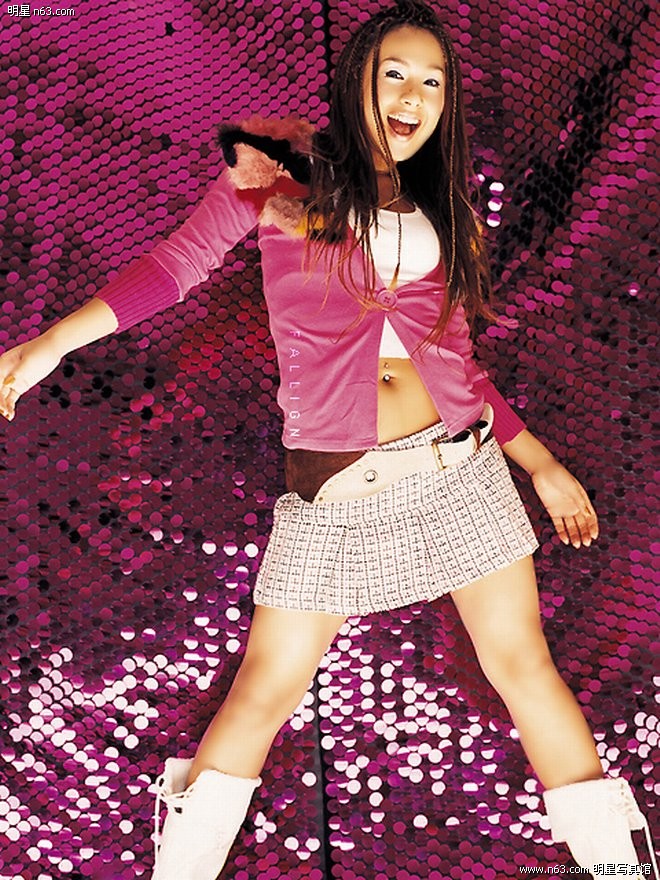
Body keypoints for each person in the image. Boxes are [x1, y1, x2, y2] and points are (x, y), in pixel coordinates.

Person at [0, 3, 656, 879]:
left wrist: (540, 465)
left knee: (525, 669)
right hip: (340, 491)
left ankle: (620, 871)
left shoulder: (442, 206)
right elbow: (176, 266)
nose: (413, 96)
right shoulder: (278, 173)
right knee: (263, 690)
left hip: (461, 471)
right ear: (356, 80)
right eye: (395, 74)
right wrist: (51, 344)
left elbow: (459, 366)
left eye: (433, 82)